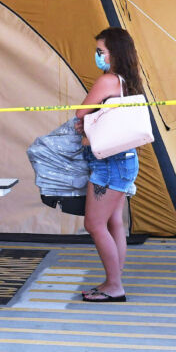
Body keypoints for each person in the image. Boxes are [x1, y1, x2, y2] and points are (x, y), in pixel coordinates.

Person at [75, 27, 142, 302]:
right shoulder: (130, 80)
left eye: (100, 51)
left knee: (94, 224)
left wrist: (84, 120)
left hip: (109, 162)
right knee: (114, 222)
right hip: (125, 159)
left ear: (113, 53)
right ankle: (113, 279)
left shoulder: (108, 81)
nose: (97, 56)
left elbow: (81, 112)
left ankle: (114, 286)